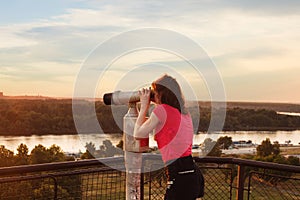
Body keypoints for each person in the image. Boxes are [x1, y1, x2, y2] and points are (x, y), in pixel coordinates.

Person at [134, 74, 204, 200]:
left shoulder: (162, 111)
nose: (153, 94)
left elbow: (138, 133)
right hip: (192, 174)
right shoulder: (183, 112)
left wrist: (144, 106)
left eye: (155, 91)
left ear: (162, 93)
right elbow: (145, 124)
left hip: (179, 175)